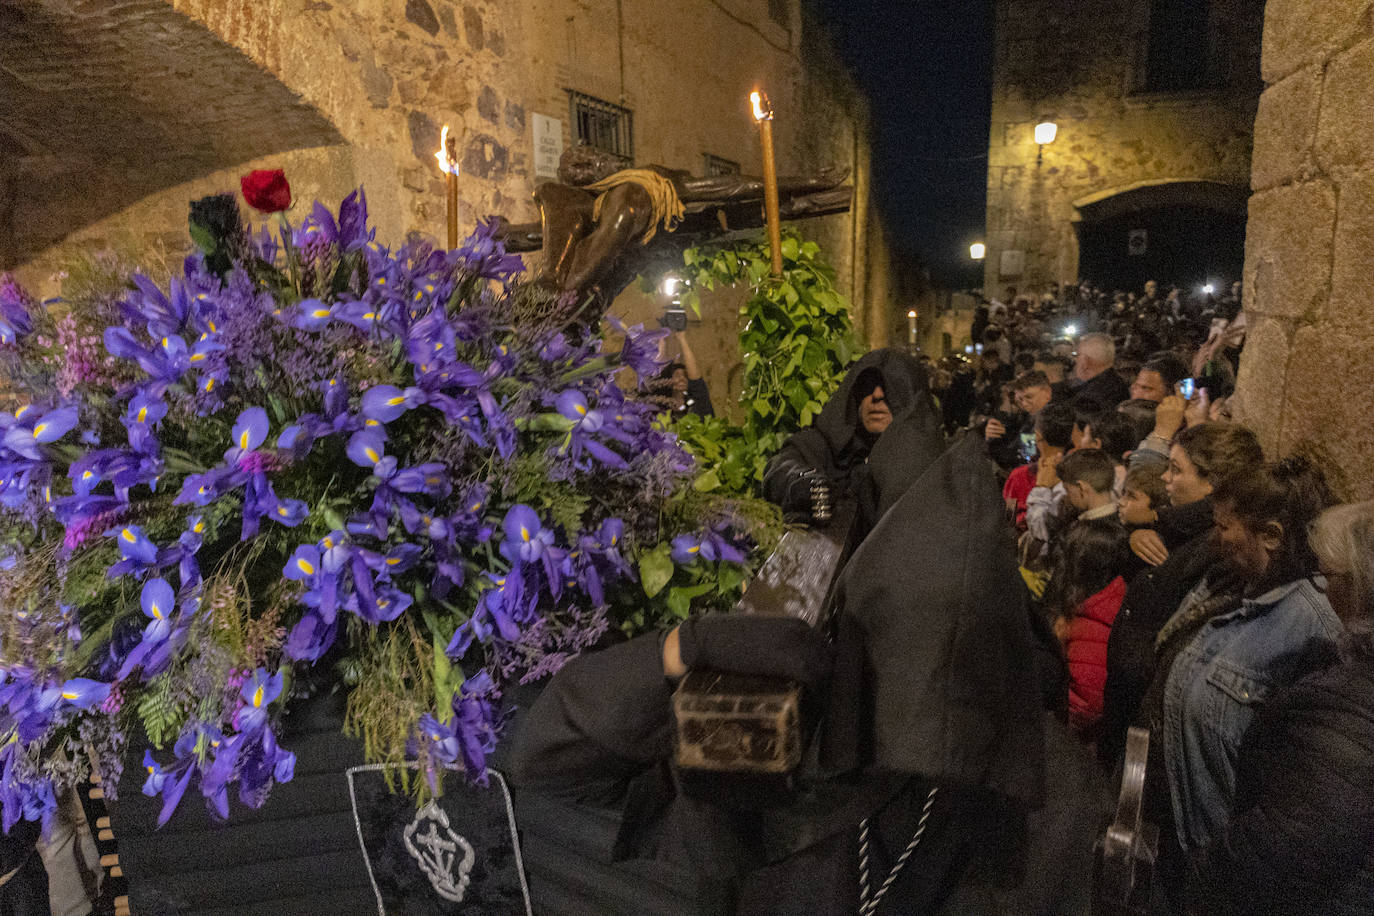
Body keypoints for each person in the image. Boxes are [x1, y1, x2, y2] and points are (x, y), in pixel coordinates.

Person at [511, 433, 1047, 915]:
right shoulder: (781, 737)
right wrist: (684, 649)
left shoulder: (1044, 815)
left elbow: (551, 753)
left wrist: (681, 649)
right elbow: (551, 757)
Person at [1136, 457, 1340, 904]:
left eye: (1226, 527)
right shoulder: (1235, 582)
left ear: (1271, 536)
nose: (1215, 537)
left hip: (1224, 877)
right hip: (1179, 851)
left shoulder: (1314, 627)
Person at [1188, 500, 1374, 914]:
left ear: (1360, 585)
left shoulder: (1344, 711)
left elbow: (1282, 848)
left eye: (1330, 578)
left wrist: (1202, 879)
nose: (1325, 592)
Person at [1100, 423, 1265, 763]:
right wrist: (1131, 537)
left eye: (1176, 470)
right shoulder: (1170, 524)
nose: (1165, 479)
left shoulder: (1219, 547)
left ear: (1213, 483)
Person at [762, 349, 943, 532]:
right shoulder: (831, 445)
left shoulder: (934, 463)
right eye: (868, 386)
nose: (877, 395)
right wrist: (802, 483)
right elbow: (783, 465)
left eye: (890, 387)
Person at [1070, 332, 1131, 410]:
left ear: (1084, 361)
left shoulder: (1088, 399)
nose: (1074, 361)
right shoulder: (1118, 384)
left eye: (1077, 355)